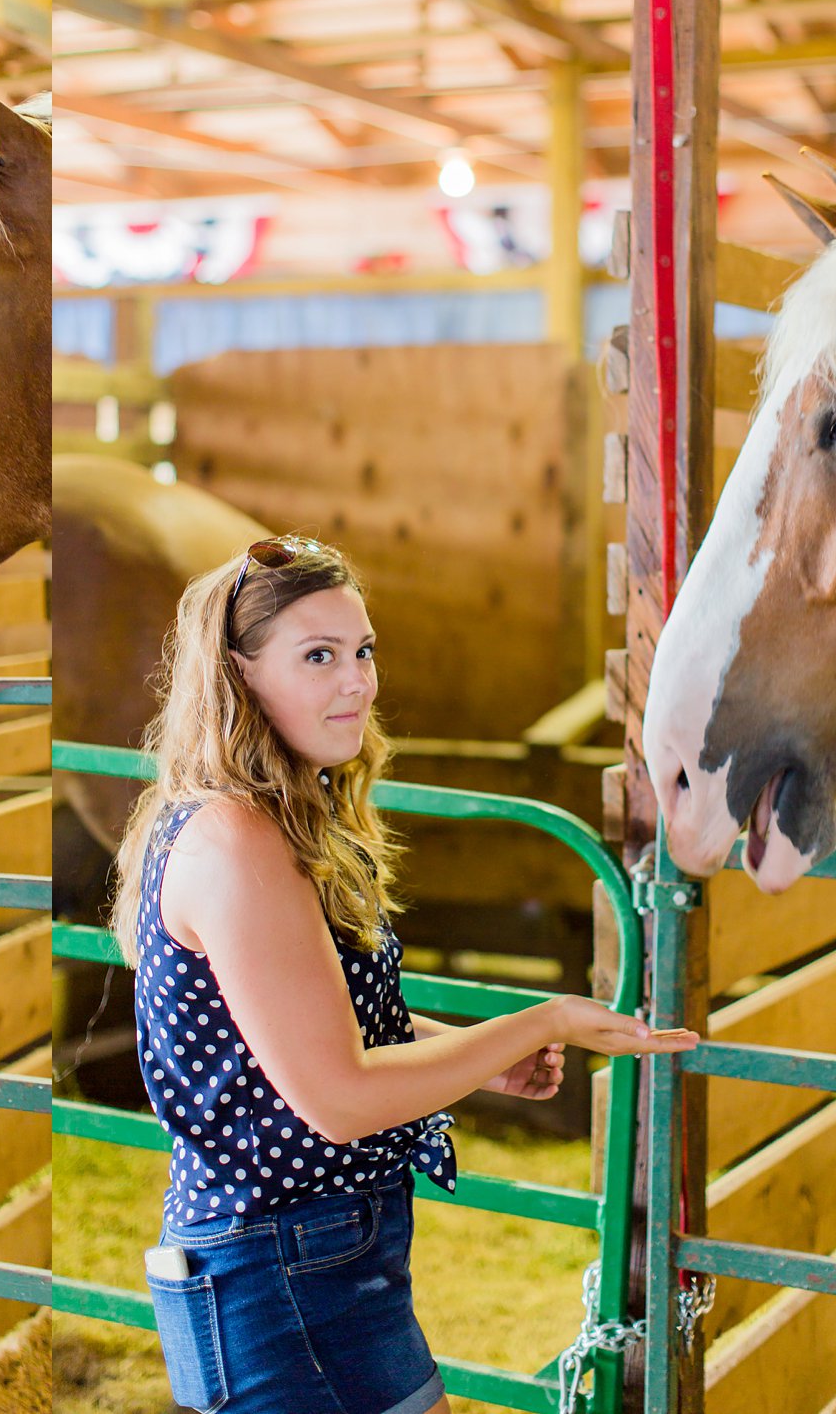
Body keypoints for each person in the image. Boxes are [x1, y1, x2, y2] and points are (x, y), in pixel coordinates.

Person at [110, 536, 700, 1414]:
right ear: (238, 674)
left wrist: (469, 1054)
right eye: (319, 656)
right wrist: (544, 1023)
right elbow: (339, 1093)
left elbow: (319, 1026)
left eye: (362, 651)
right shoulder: (234, 840)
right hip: (277, 1274)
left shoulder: (271, 817)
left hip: (319, 1255)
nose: (357, 681)